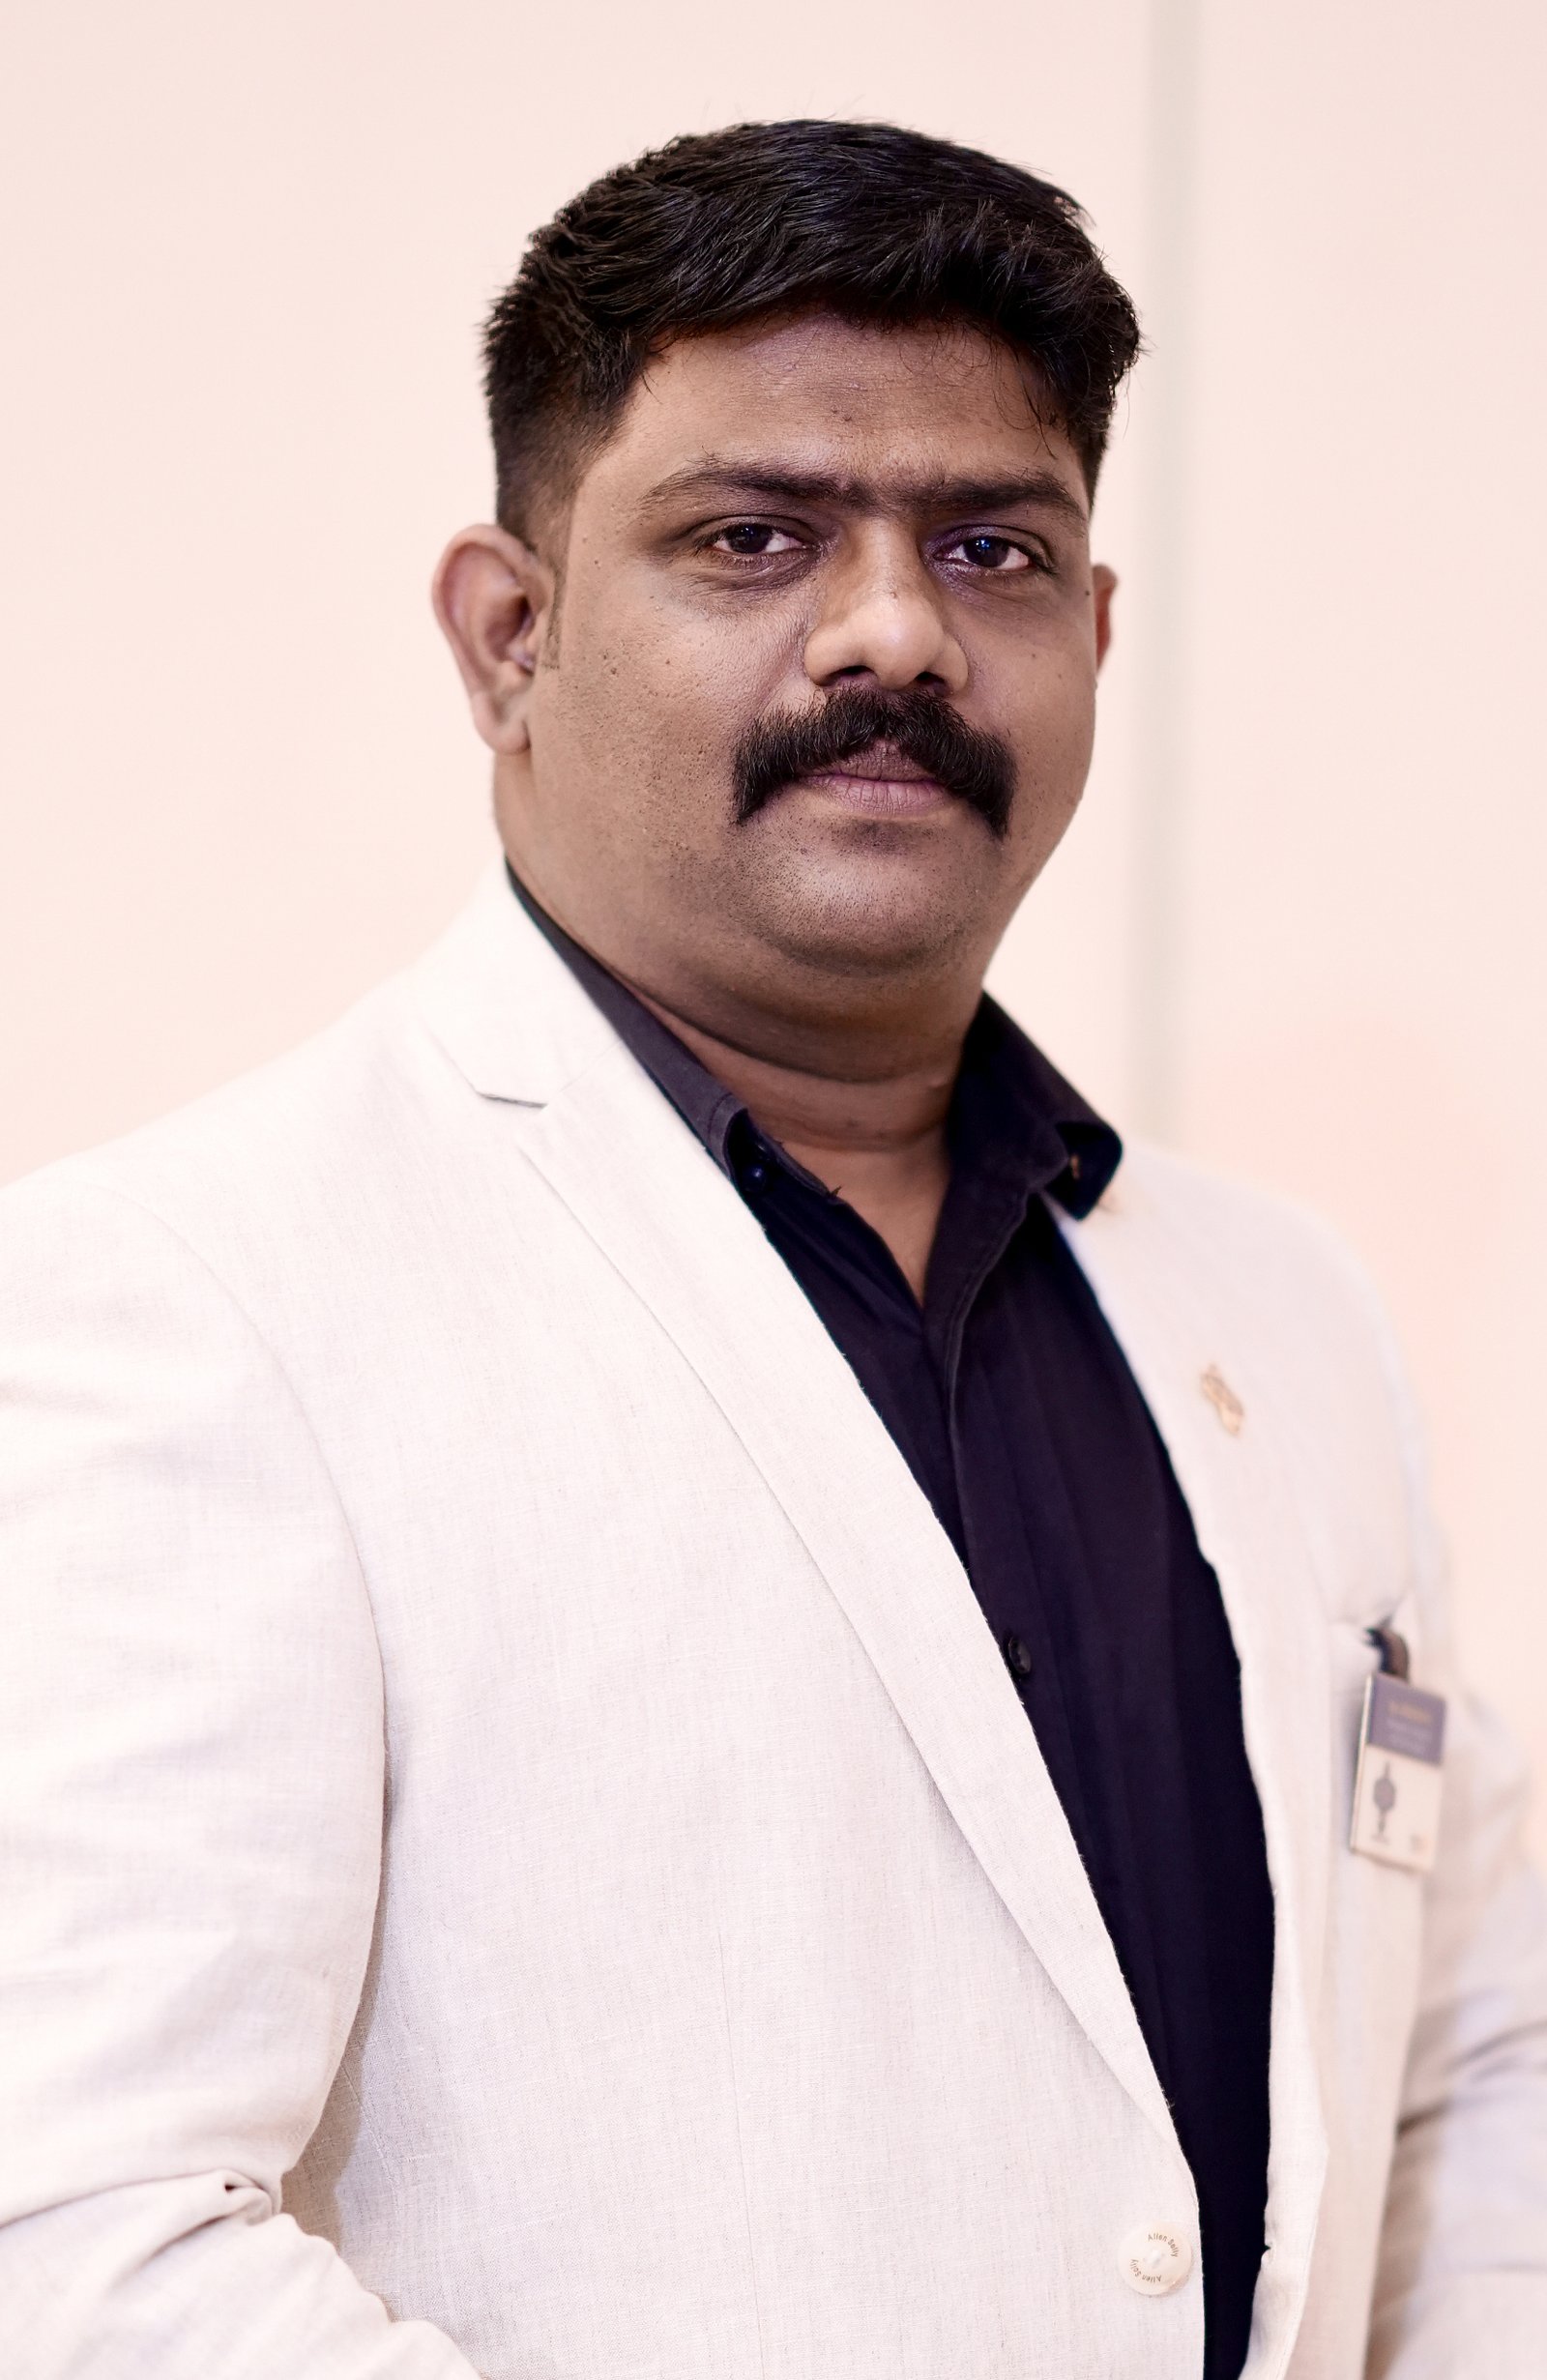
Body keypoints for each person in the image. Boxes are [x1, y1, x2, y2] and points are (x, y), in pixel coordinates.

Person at [2, 118, 1544, 2380]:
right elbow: (75, 2237)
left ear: (1092, 632)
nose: (895, 631)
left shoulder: (1278, 1312)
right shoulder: (189, 1300)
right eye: (752, 537)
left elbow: (1467, 2073)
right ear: (509, 636)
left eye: (991, 547)